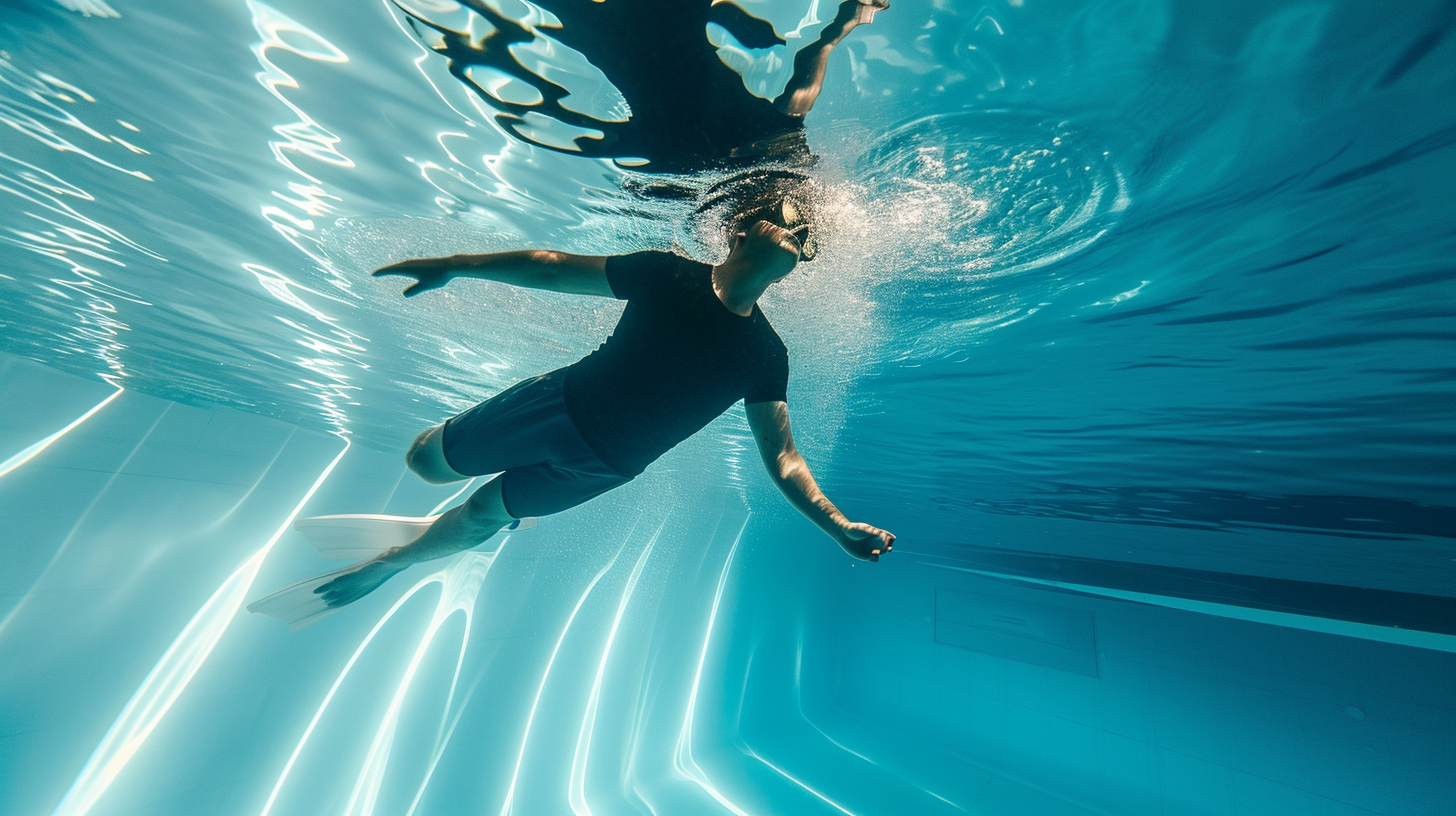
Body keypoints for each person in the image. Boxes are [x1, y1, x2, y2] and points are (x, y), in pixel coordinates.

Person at [311, 218, 895, 610]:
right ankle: (478, 495)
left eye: (800, 234)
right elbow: (549, 267)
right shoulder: (669, 273)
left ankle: (392, 563)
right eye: (782, 220)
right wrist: (457, 263)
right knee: (425, 464)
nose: (795, 229)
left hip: (605, 465)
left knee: (484, 511)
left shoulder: (767, 354)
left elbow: (784, 457)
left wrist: (838, 527)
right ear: (737, 237)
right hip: (553, 406)